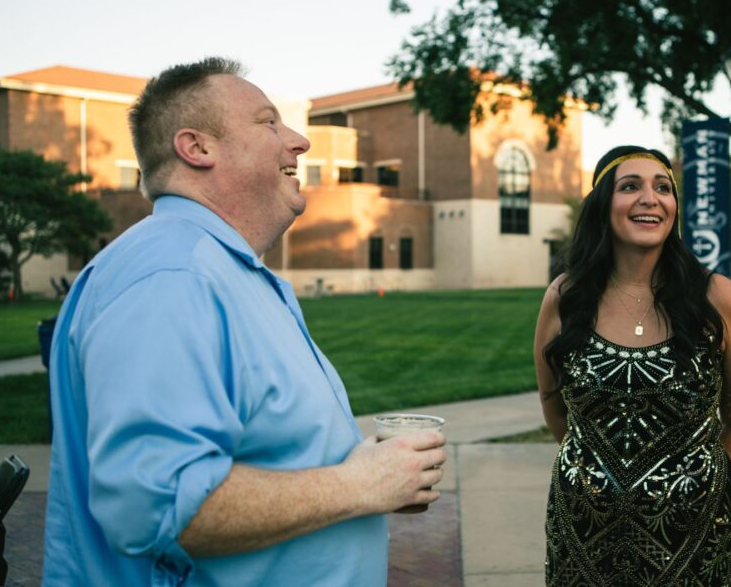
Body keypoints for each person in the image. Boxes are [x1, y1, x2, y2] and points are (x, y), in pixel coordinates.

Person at [42, 58, 447, 585]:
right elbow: (161, 504)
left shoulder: (220, 269)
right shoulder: (174, 276)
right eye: (269, 122)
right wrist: (361, 485)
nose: (299, 141)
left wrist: (361, 464)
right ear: (198, 148)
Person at [534, 145, 731, 585]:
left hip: (693, 536)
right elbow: (556, 410)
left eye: (663, 187)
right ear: (603, 204)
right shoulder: (566, 296)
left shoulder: (717, 298)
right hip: (582, 534)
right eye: (630, 186)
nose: (650, 198)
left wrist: (694, 486)